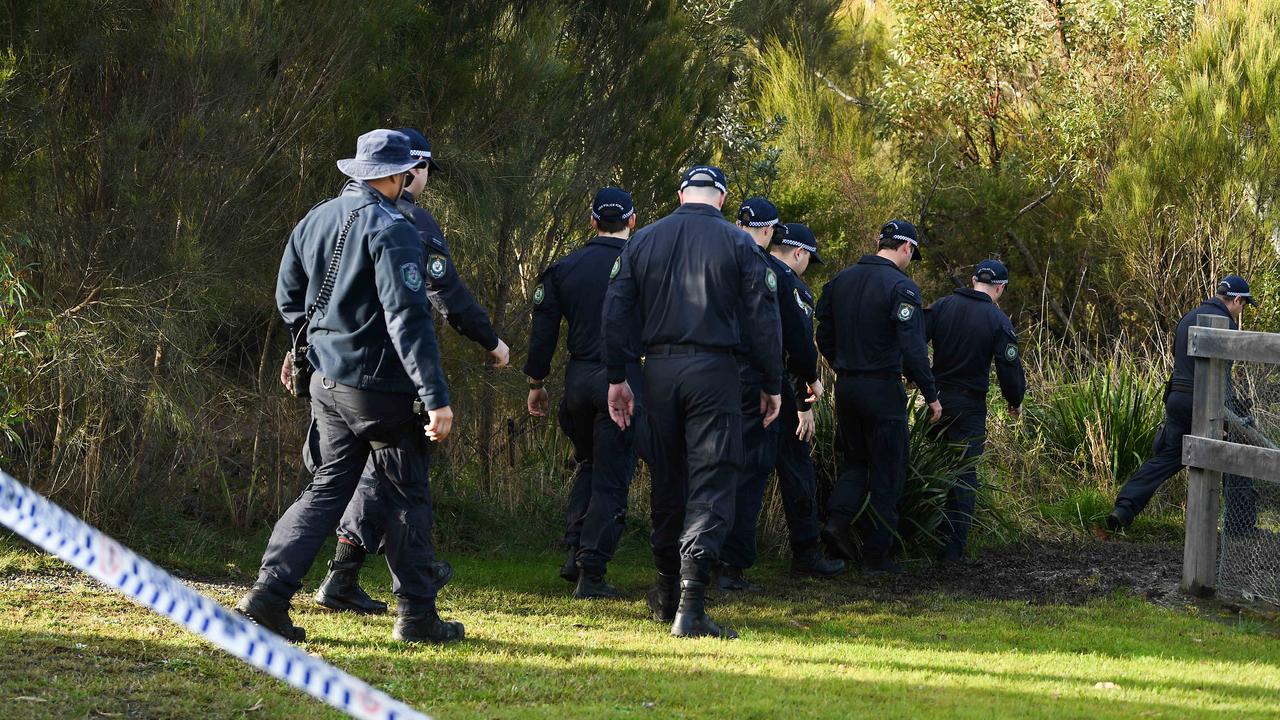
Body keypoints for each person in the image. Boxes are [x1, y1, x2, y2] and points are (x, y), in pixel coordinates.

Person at [236, 129, 462, 645]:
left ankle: (268, 595)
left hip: (327, 382)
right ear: (393, 174)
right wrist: (435, 396)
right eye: (406, 171)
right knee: (407, 493)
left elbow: (288, 295)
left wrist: (308, 347)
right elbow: (408, 317)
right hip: (381, 388)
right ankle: (417, 616)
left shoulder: (315, 218)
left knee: (325, 490)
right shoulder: (395, 228)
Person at [309, 127, 509, 616]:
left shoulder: (336, 215)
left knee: (367, 476)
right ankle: (403, 590)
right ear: (408, 169)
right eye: (422, 171)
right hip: (388, 377)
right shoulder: (409, 222)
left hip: (332, 371)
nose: (423, 182)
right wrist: (489, 340)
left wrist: (301, 352)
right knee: (396, 477)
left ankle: (343, 577)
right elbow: (445, 296)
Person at [602, 165, 782, 638]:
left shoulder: (642, 241)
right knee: (713, 479)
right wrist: (772, 382)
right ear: (721, 198)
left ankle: (666, 595)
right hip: (714, 372)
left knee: (667, 481)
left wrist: (617, 377)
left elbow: (615, 309)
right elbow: (764, 321)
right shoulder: (741, 243)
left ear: (681, 194)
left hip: (656, 370)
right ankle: (691, 605)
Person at [524, 187, 642, 599]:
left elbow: (542, 334)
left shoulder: (564, 268)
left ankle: (574, 552)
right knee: (612, 476)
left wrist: (536, 383)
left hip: (577, 380)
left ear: (592, 222)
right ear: (632, 221)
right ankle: (591, 572)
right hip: (623, 379)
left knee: (589, 465)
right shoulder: (642, 263)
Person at [720, 218, 843, 590]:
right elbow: (800, 343)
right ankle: (801, 553)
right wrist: (811, 386)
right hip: (776, 388)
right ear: (800, 253)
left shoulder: (737, 267)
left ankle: (714, 557)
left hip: (725, 381)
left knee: (730, 471)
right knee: (788, 471)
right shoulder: (786, 282)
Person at [815, 219, 941, 576]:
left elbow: (823, 331)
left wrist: (840, 362)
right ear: (906, 248)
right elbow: (913, 348)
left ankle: (837, 522)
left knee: (856, 462)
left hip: (847, 387)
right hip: (883, 388)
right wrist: (930, 394)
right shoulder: (901, 287)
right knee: (888, 470)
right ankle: (877, 556)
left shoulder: (841, 280)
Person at [1105, 275, 1256, 532]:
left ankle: (1124, 508)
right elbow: (1220, 379)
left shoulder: (1187, 318)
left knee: (1167, 458)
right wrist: (1221, 418)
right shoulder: (1227, 327)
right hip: (1206, 402)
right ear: (1237, 300)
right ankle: (1240, 526)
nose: (1241, 311)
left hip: (1177, 399)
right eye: (1243, 305)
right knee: (1240, 453)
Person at [924, 259, 1026, 563]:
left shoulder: (941, 306)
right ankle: (953, 550)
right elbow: (1009, 367)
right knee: (964, 474)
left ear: (972, 280)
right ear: (1000, 288)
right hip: (969, 406)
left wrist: (923, 383)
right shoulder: (997, 320)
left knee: (935, 468)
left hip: (936, 401)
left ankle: (924, 532)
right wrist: (1014, 399)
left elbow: (913, 341)